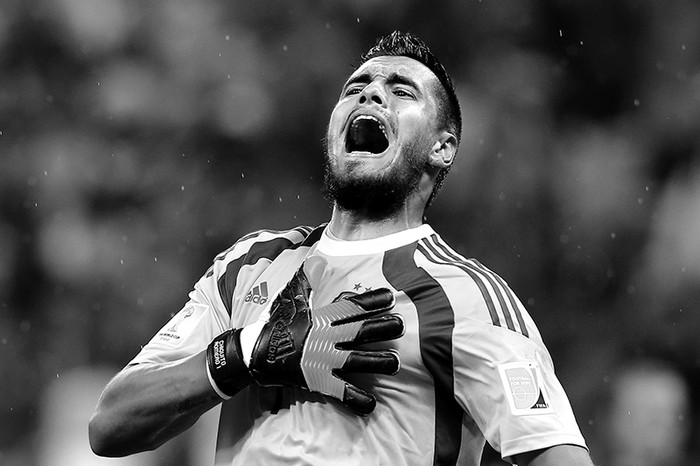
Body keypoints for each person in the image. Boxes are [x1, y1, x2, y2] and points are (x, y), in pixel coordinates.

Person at [89, 31, 593, 466]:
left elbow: (557, 453)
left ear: (443, 147)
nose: (371, 94)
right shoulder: (252, 264)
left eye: (401, 91)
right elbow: (111, 425)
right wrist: (245, 352)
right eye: (357, 87)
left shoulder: (466, 298)